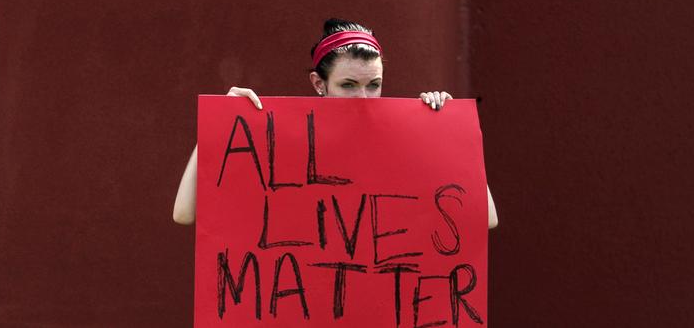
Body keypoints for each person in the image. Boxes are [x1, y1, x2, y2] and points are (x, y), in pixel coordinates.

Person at [173, 18, 498, 229]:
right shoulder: (279, 142)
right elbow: (185, 213)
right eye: (348, 85)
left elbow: (486, 219)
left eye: (374, 85)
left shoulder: (409, 142)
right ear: (319, 84)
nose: (364, 99)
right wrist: (220, 126)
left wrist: (450, 136)